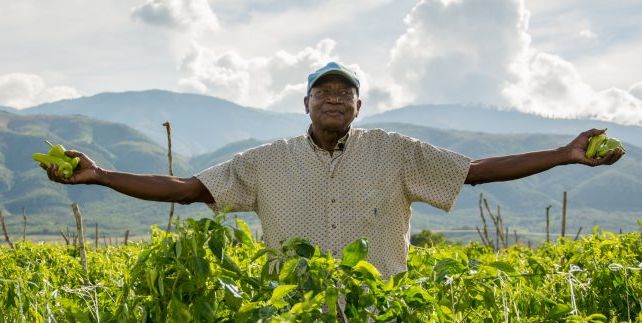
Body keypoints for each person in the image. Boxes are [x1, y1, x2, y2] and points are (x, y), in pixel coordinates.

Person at [43, 61, 625, 277]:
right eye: (323, 91)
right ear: (305, 104)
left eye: (346, 92)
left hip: (379, 314)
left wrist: (564, 154)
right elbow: (189, 189)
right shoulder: (265, 163)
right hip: (293, 316)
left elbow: (473, 171)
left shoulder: (396, 152)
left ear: (359, 106)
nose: (335, 98)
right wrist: (100, 176)